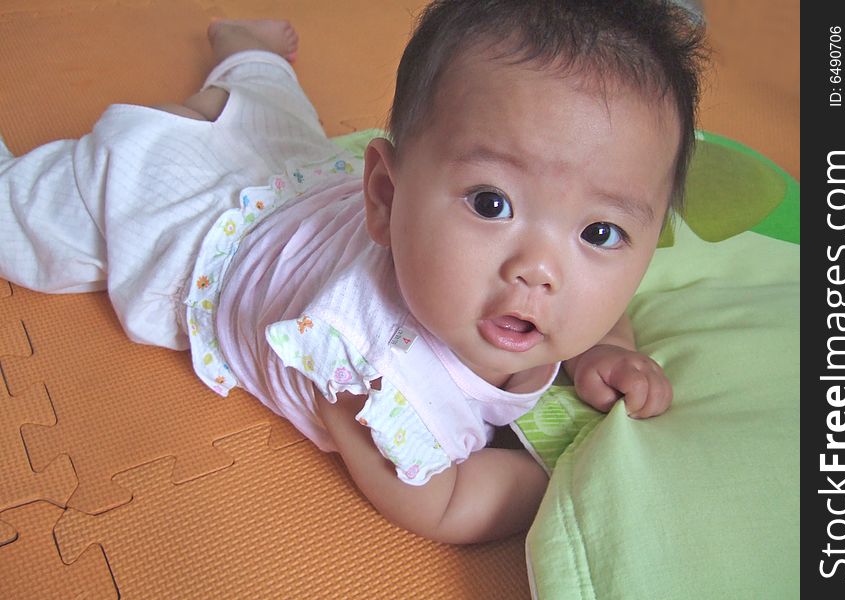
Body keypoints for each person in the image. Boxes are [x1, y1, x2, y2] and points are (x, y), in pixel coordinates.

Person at [0, 0, 706, 543]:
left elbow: (603, 314)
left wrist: (611, 348)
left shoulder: (536, 293)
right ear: (387, 198)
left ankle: (248, 64)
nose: (539, 271)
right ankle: (191, 112)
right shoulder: (364, 363)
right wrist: (576, 475)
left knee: (272, 123)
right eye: (492, 203)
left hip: (295, 182)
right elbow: (445, 503)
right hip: (189, 234)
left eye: (601, 232)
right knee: (28, 232)